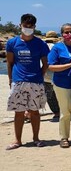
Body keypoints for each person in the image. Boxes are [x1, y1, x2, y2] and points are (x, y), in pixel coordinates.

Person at [5, 13, 50, 150]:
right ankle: (17, 140)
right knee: (18, 112)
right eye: (25, 26)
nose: (28, 28)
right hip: (18, 81)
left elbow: (45, 63)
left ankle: (36, 138)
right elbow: (10, 62)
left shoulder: (40, 44)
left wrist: (40, 76)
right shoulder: (12, 43)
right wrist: (10, 79)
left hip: (35, 82)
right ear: (20, 25)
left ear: (34, 27)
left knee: (35, 112)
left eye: (30, 26)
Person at [48, 24, 71, 148]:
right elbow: (51, 67)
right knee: (65, 112)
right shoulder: (57, 48)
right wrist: (69, 65)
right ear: (62, 34)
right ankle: (64, 137)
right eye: (66, 32)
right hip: (62, 85)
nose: (69, 35)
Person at [43, 31, 60, 121]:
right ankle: (59, 112)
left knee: (49, 95)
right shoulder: (56, 47)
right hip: (56, 73)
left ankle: (56, 113)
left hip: (45, 74)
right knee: (57, 95)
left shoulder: (42, 46)